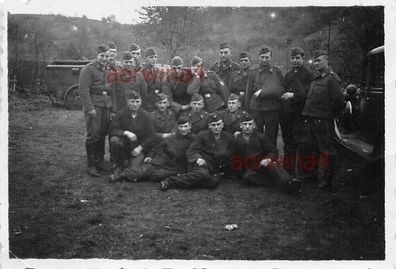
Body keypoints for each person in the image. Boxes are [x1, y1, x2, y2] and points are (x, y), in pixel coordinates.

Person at [300, 50, 345, 189]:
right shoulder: (317, 78)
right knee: (315, 149)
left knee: (327, 150)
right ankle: (314, 175)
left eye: (319, 60)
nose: (316, 63)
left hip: (323, 120)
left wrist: (327, 115)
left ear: (327, 61)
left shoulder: (331, 79)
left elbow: (339, 101)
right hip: (312, 119)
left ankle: (327, 180)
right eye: (315, 61)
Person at [160, 114, 233, 191]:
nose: (216, 127)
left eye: (218, 124)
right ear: (209, 126)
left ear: (222, 125)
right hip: (201, 164)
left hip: (214, 167)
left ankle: (186, 178)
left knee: (213, 183)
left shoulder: (228, 137)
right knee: (202, 174)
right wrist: (198, 158)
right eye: (213, 125)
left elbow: (231, 152)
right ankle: (170, 181)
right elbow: (191, 151)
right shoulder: (202, 135)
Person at [110, 116, 195, 183]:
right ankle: (120, 175)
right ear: (178, 127)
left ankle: (135, 177)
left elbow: (193, 154)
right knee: (145, 169)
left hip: (176, 166)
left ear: (190, 126)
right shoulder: (173, 136)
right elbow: (159, 146)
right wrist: (150, 156)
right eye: (181, 127)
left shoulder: (193, 139)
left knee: (158, 175)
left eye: (185, 126)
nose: (183, 129)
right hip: (162, 160)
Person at [232, 114, 302, 194]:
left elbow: (273, 151)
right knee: (247, 178)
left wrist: (267, 159)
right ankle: (274, 182)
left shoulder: (261, 137)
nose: (247, 127)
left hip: (262, 165)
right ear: (241, 126)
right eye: (245, 124)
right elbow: (235, 157)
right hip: (250, 169)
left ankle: (289, 183)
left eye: (250, 124)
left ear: (254, 126)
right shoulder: (237, 140)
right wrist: (240, 173)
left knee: (274, 165)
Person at [79, 44, 115, 177]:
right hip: (94, 106)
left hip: (106, 106)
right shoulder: (88, 70)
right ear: (97, 55)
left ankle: (100, 161)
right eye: (102, 56)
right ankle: (92, 164)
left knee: (102, 134)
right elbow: (83, 90)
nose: (105, 58)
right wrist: (90, 108)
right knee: (93, 134)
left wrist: (111, 107)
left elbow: (111, 89)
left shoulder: (109, 69)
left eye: (107, 56)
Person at [280, 47, 313, 176]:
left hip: (301, 113)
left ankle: (302, 171)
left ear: (303, 58)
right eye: (293, 58)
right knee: (288, 142)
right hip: (288, 114)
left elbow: (308, 93)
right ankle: (288, 169)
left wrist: (293, 95)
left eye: (297, 58)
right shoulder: (288, 75)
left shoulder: (309, 74)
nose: (295, 61)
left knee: (302, 143)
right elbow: (283, 89)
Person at [109, 90, 157, 179]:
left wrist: (140, 148)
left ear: (141, 102)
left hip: (138, 148)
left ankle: (125, 170)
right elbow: (112, 129)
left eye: (138, 102)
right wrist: (126, 132)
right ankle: (119, 165)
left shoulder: (146, 115)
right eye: (132, 102)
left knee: (133, 168)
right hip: (124, 146)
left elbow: (152, 136)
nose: (135, 104)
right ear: (127, 102)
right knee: (114, 140)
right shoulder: (121, 113)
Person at [245, 46, 285, 146]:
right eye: (262, 57)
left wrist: (265, 92)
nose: (264, 60)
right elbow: (248, 93)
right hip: (257, 109)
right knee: (256, 135)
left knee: (271, 136)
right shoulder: (253, 73)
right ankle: (257, 157)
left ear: (271, 58)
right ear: (258, 57)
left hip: (271, 109)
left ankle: (271, 158)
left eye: (267, 57)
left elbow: (280, 89)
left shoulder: (277, 72)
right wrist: (247, 111)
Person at [141, 48, 162, 112]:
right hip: (147, 105)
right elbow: (143, 92)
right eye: (151, 57)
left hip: (157, 104)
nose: (154, 59)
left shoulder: (157, 71)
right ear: (145, 59)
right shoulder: (142, 72)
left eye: (155, 57)